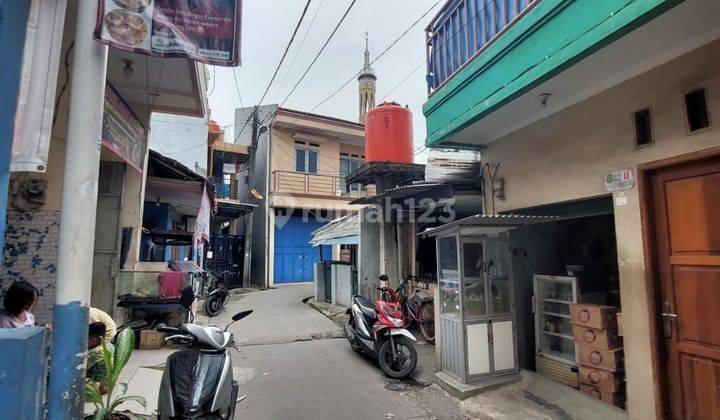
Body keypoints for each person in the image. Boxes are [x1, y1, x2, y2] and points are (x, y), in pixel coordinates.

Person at [87, 322, 114, 389]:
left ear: (93, 340)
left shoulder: (95, 352)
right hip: (110, 383)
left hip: (99, 386)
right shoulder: (109, 345)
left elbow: (78, 368)